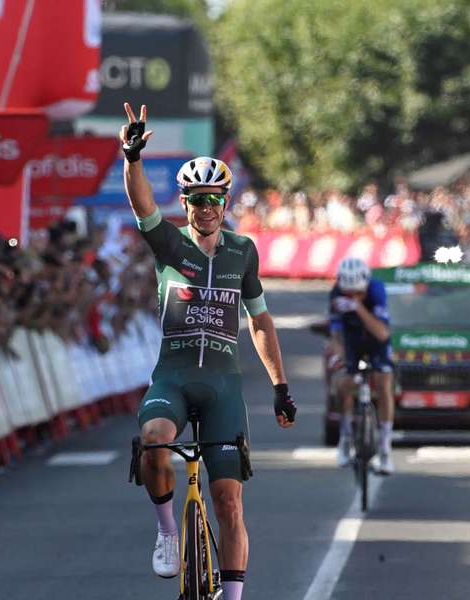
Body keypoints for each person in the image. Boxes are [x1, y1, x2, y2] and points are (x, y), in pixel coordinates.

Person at [121, 103, 296, 600]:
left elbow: (259, 321)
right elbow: (141, 205)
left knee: (229, 503)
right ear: (185, 202)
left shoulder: (244, 252)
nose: (205, 207)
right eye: (196, 199)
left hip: (223, 386)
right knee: (154, 440)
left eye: (213, 198)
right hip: (173, 377)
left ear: (225, 199)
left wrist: (280, 387)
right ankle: (167, 531)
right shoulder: (170, 245)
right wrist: (131, 157)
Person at [330, 256, 396, 474]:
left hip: (375, 338)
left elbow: (382, 333)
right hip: (352, 338)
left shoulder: (377, 290)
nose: (352, 296)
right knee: (343, 383)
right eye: (349, 293)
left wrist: (358, 307)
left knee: (384, 380)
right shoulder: (336, 294)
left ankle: (385, 447)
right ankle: (346, 437)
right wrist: (340, 356)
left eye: (358, 292)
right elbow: (337, 335)